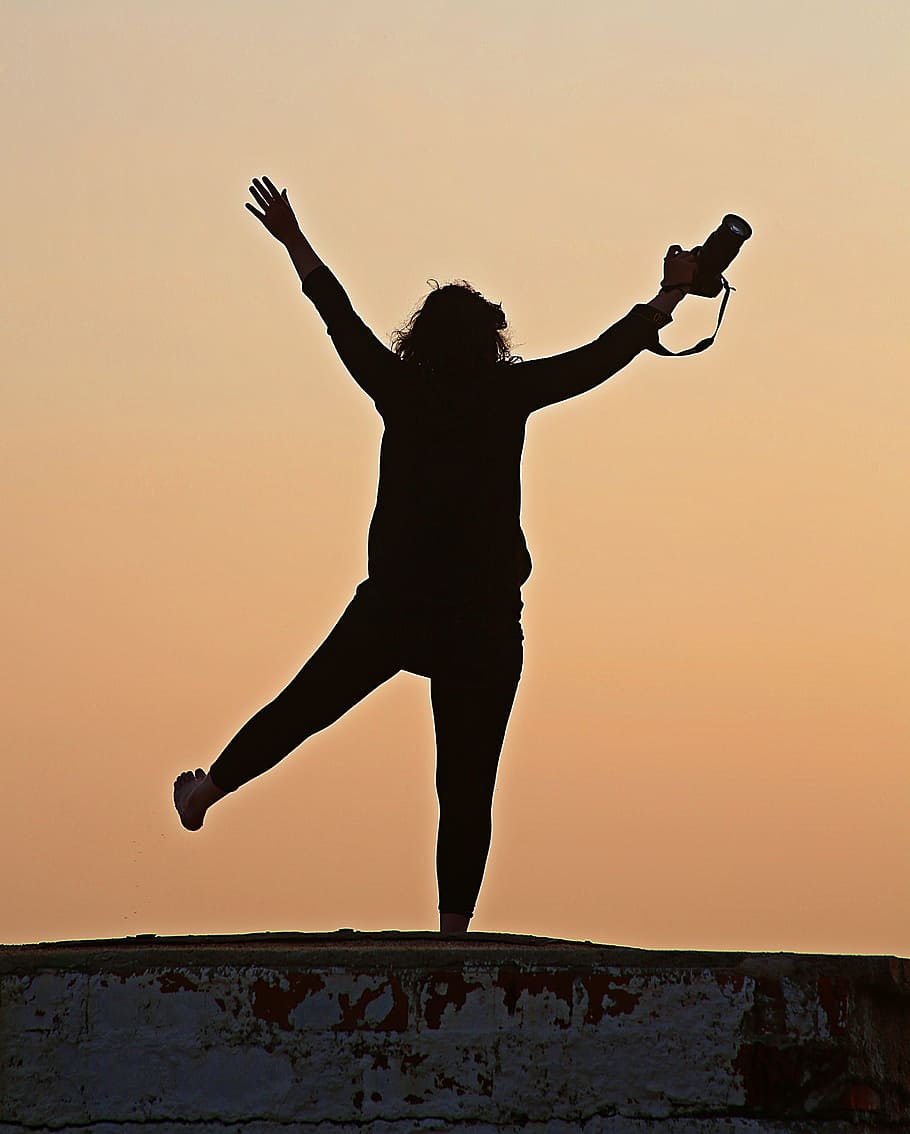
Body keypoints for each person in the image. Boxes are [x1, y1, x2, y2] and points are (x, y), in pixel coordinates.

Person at [173, 174, 698, 934]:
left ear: (421, 338)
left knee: (301, 711)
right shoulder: (507, 392)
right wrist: (669, 294)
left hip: (397, 607)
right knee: (466, 785)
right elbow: (603, 356)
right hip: (483, 619)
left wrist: (292, 237)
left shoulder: (398, 385)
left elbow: (338, 315)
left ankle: (210, 788)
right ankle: (453, 932)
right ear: (490, 343)